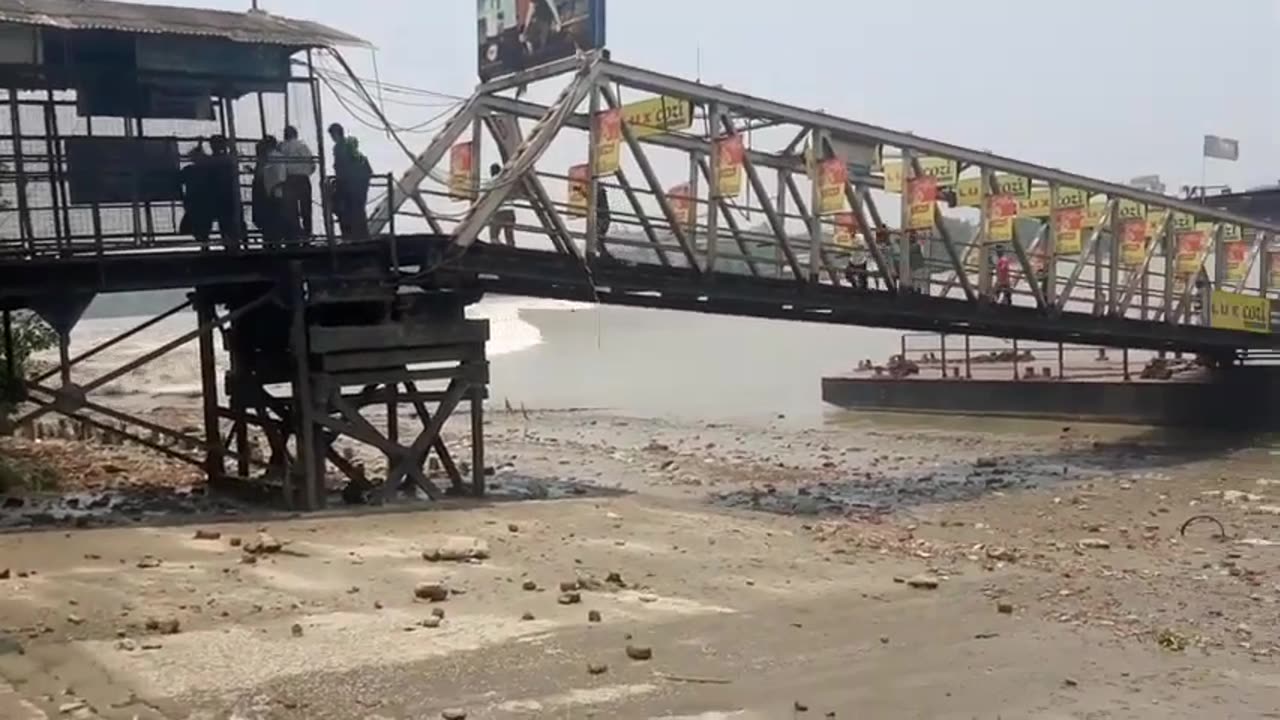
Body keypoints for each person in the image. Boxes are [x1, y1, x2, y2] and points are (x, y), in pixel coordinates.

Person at [328, 123, 372, 240]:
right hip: (360, 183)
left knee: (344, 209)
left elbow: (341, 167)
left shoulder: (339, 148)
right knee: (358, 210)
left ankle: (349, 235)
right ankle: (362, 235)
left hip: (349, 184)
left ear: (335, 134)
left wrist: (338, 183)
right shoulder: (354, 150)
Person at [278, 125, 316, 241]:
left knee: (291, 210)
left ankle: (294, 236)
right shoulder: (301, 145)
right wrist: (307, 171)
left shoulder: (281, 147)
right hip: (302, 179)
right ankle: (307, 234)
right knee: (306, 209)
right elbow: (312, 164)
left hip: (288, 180)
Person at [205, 135, 242, 251]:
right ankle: (233, 244)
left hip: (216, 195)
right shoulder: (228, 159)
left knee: (224, 222)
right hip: (229, 194)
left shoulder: (211, 161)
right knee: (230, 221)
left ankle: (227, 244)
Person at [251, 136, 285, 249]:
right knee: (271, 218)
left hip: (271, 191)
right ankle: (272, 240)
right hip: (270, 191)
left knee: (271, 218)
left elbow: (274, 175)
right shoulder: (268, 158)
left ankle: (272, 241)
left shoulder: (272, 158)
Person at [179, 143, 212, 248]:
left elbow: (178, 181)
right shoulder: (207, 170)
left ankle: (203, 243)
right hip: (204, 201)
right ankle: (204, 243)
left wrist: (183, 197)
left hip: (194, 201)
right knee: (204, 225)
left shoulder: (189, 170)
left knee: (196, 225)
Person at [487, 163, 518, 246]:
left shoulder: (492, 181)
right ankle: (511, 246)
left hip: (500, 210)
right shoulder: (507, 179)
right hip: (510, 210)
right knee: (509, 232)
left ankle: (496, 245)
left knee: (494, 231)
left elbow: (486, 194)